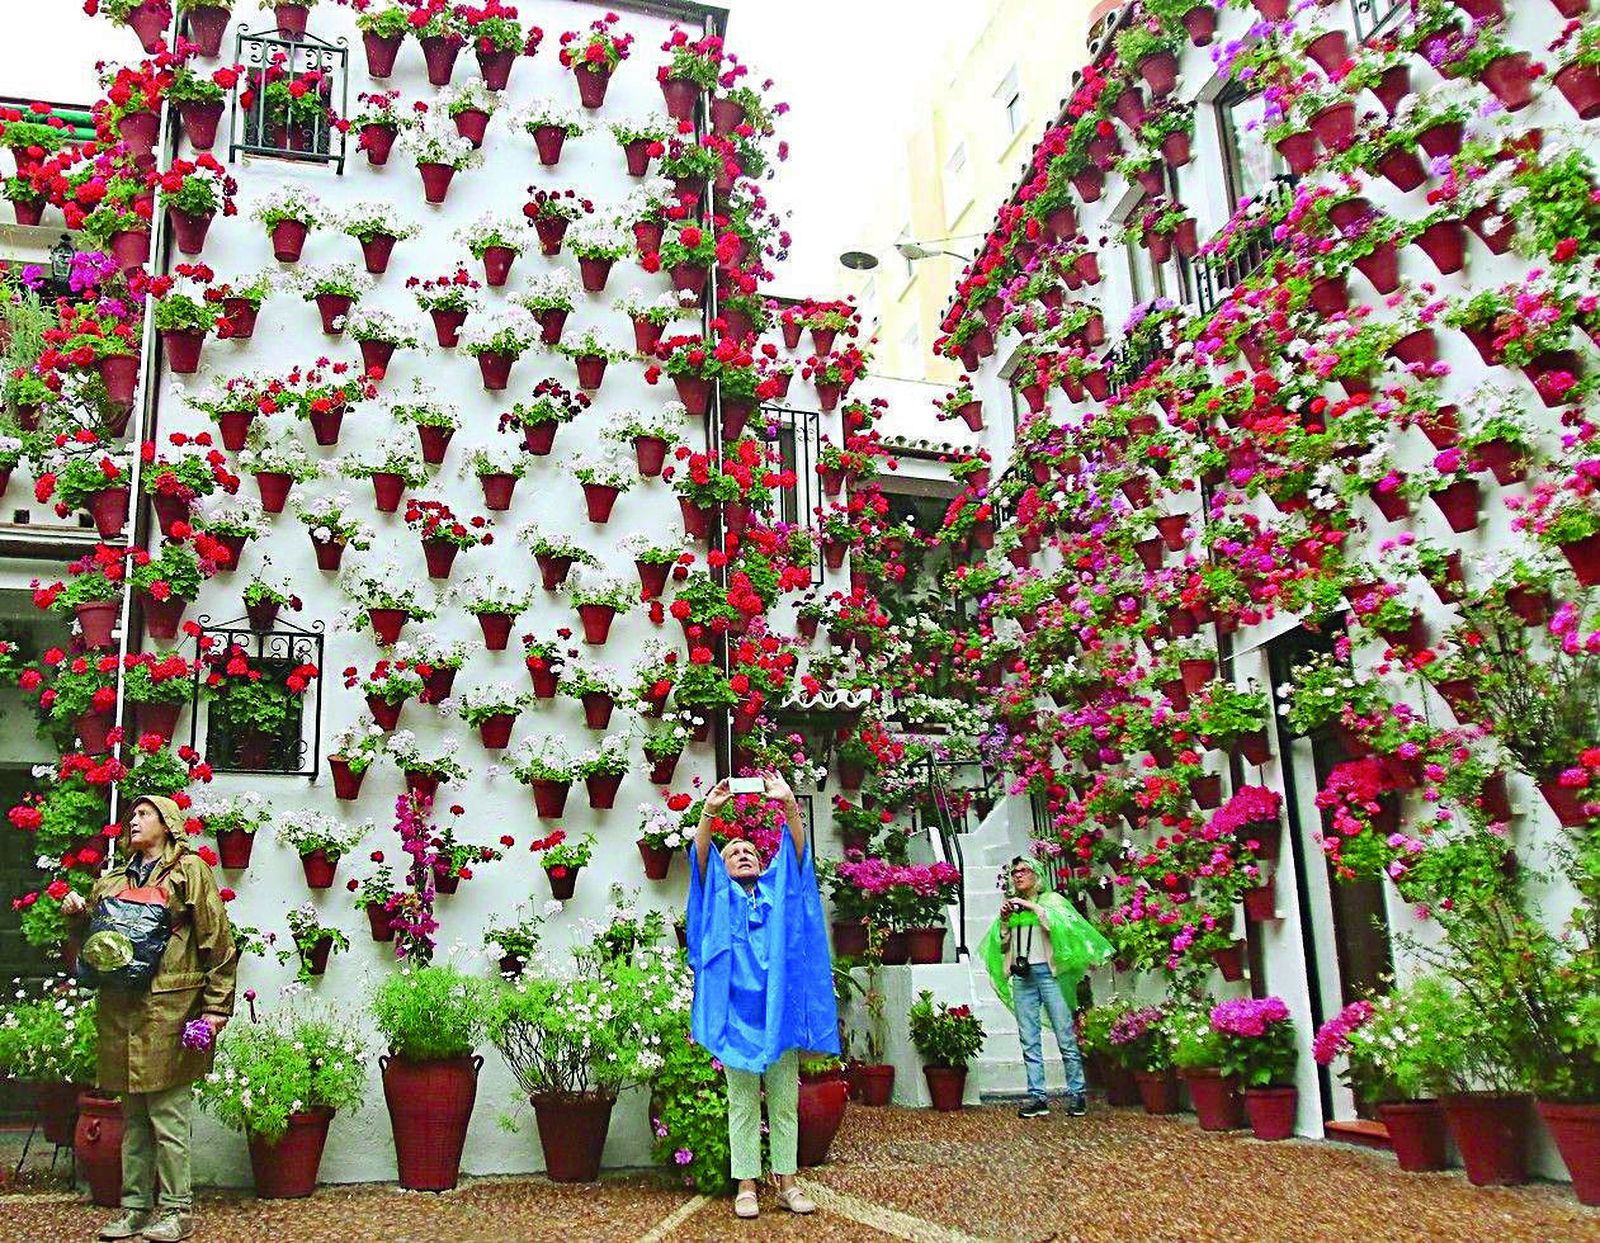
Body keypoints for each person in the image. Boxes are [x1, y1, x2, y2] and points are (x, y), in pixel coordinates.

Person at [61, 794, 237, 1243]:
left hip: (171, 1009)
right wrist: (78, 921)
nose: (134, 821)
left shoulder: (189, 871)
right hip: (121, 1010)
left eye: (144, 814)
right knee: (134, 1114)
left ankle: (177, 1210)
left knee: (168, 1115)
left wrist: (215, 1008)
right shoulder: (113, 880)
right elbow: (95, 952)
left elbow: (217, 942)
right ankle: (135, 1208)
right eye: (132, 815)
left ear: (168, 822)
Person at [686, 772, 839, 1221]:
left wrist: (790, 804)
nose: (744, 856)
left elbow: (796, 854)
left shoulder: (778, 891)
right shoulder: (717, 894)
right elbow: (700, 859)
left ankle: (788, 1183)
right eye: (734, 853)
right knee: (742, 1102)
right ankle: (747, 1185)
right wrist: (710, 811)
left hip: (778, 1016)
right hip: (737, 1017)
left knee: (784, 1101)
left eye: (750, 851)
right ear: (724, 866)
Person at [978, 856, 1111, 1119]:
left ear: (1036, 875)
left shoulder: (1051, 901)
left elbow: (1059, 926)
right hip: (1022, 975)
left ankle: (1077, 1094)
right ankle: (1037, 1096)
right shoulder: (1012, 909)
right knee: (1028, 1037)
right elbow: (1003, 946)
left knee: (1065, 1033)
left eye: (1023, 871)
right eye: (1014, 872)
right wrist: (1004, 921)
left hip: (1049, 975)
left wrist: (1028, 905)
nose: (1017, 876)